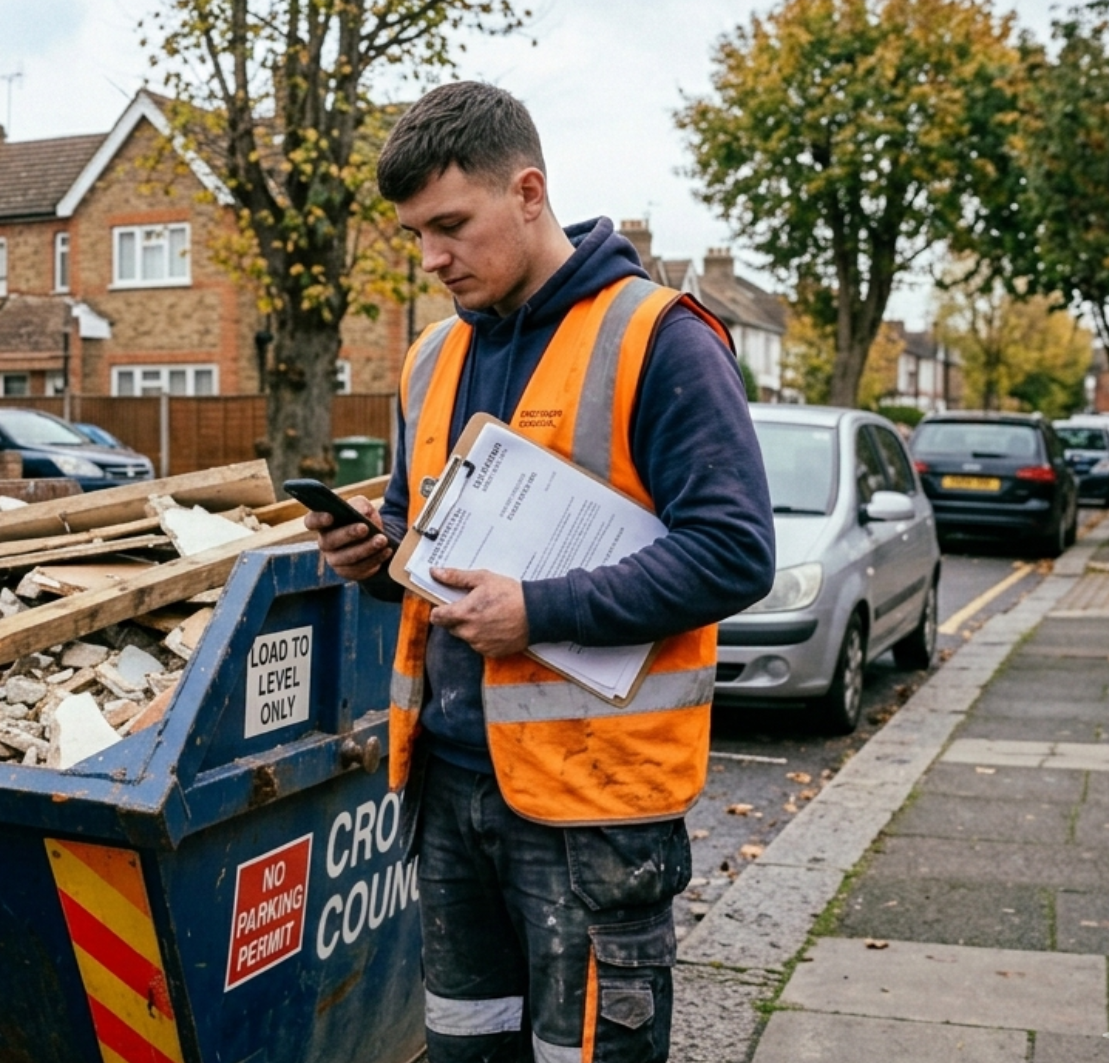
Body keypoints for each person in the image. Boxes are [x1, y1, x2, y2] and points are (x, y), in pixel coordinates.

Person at [308, 82, 775, 1063]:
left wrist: (542, 609)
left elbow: (736, 551)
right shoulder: (430, 357)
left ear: (528, 192)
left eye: (450, 225)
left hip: (596, 816)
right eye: (416, 235)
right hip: (448, 790)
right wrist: (376, 559)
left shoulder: (662, 338)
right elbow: (424, 550)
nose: (433, 259)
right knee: (466, 1048)